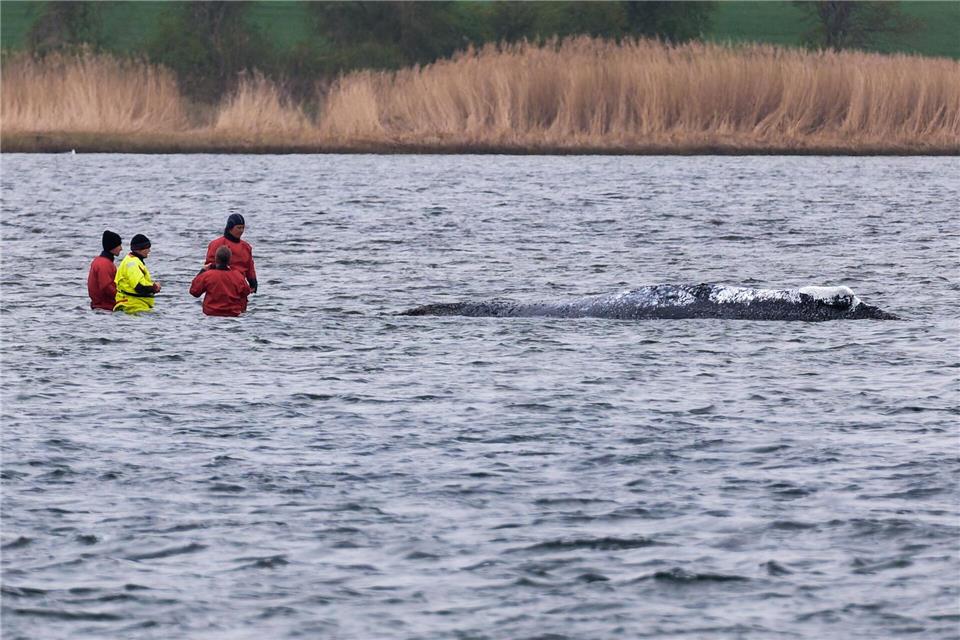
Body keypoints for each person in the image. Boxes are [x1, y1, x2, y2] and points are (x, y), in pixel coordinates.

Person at [190, 245, 252, 317]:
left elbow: (194, 292)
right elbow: (246, 292)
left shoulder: (207, 275)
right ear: (229, 260)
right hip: (232, 315)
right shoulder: (238, 276)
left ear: (216, 259)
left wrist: (202, 271)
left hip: (211, 314)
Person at [206, 213, 257, 294]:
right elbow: (209, 266)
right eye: (238, 228)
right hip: (220, 285)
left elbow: (250, 267)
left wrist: (253, 281)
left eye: (243, 228)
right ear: (230, 228)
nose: (241, 231)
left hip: (239, 287)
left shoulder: (246, 247)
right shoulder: (216, 244)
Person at [114, 234, 161, 314]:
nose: (149, 251)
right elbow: (139, 287)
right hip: (133, 307)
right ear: (140, 249)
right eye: (147, 248)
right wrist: (154, 287)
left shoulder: (130, 260)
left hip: (134, 305)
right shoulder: (133, 263)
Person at [87, 230, 122, 311]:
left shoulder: (99, 261)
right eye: (119, 245)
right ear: (112, 247)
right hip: (106, 309)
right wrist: (123, 297)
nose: (121, 248)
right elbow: (106, 287)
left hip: (101, 307)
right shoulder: (104, 264)